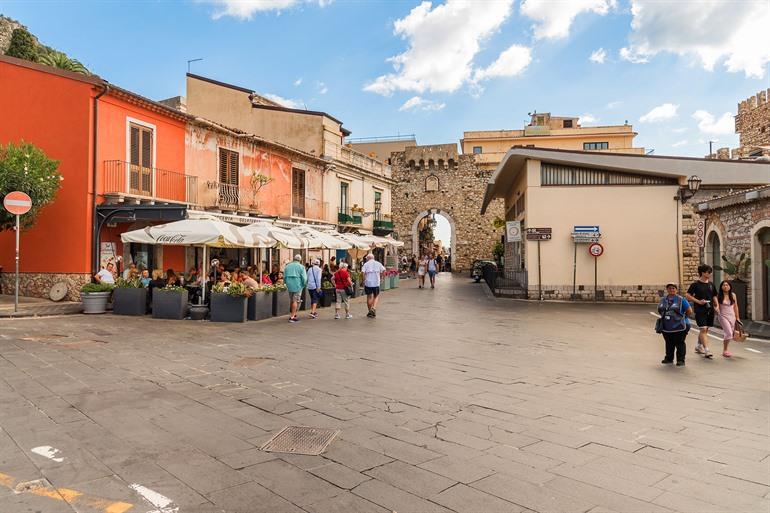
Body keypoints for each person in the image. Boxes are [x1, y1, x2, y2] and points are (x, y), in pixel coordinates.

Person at [686, 264, 718, 359]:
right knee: (703, 329)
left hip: (710, 309)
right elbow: (688, 295)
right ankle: (707, 350)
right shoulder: (695, 285)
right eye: (708, 272)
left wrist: (717, 306)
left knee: (705, 329)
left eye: (710, 272)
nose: (710, 273)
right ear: (702, 273)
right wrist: (698, 301)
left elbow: (714, 296)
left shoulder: (711, 285)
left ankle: (698, 346)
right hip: (700, 309)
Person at [658, 282, 693, 366]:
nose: (671, 290)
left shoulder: (681, 300)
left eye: (673, 288)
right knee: (669, 342)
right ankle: (669, 358)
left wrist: (682, 318)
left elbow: (689, 311)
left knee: (680, 343)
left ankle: (681, 360)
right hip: (666, 326)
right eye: (670, 288)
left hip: (680, 326)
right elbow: (660, 310)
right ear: (667, 289)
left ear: (676, 290)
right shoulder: (663, 300)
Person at [716, 280, 740, 358]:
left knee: (729, 334)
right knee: (729, 333)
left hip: (732, 316)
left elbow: (735, 307)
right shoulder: (718, 295)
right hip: (722, 316)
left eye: (727, 285)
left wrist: (737, 317)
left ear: (730, 287)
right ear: (721, 287)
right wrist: (716, 309)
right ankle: (725, 350)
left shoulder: (733, 295)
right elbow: (715, 306)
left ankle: (726, 349)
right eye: (724, 285)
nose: (725, 286)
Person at [284, 255, 307, 323]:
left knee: (292, 300)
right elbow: (304, 278)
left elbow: (284, 276)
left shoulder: (287, 266)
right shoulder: (301, 267)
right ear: (300, 260)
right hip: (298, 285)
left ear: (293, 259)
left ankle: (293, 313)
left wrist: (285, 283)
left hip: (289, 285)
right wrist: (304, 284)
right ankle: (292, 317)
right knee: (295, 301)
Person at [362, 253, 386, 318]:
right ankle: (374, 308)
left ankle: (370, 311)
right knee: (376, 296)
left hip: (368, 283)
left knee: (369, 297)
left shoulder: (366, 264)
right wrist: (382, 278)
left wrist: (363, 280)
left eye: (366, 258)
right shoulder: (378, 263)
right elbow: (384, 270)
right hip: (376, 283)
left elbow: (363, 273)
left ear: (368, 258)